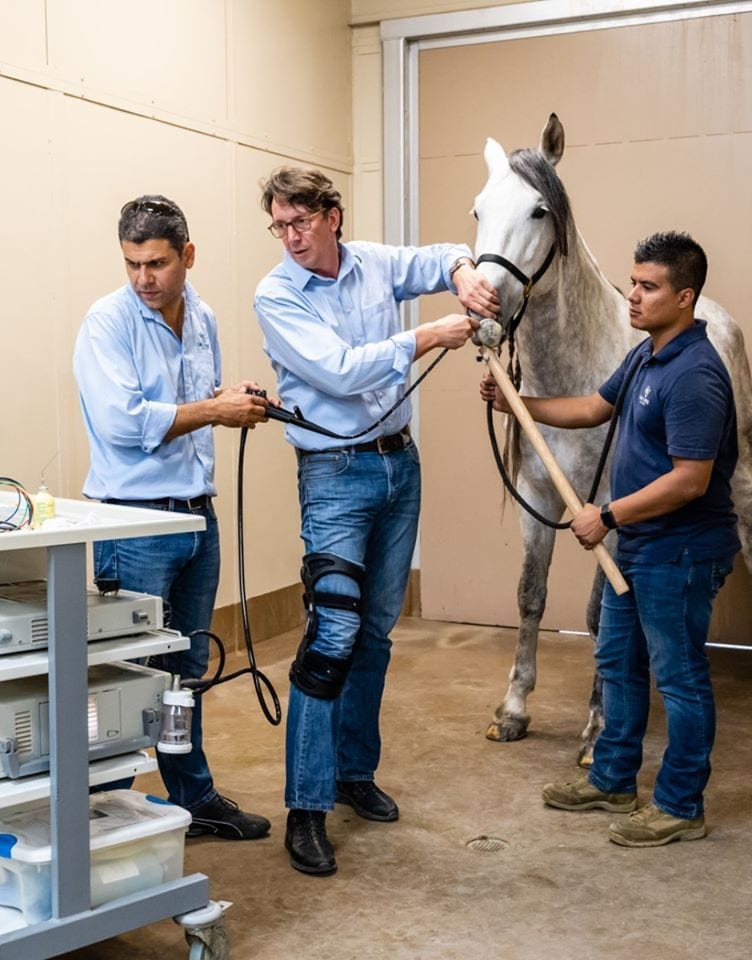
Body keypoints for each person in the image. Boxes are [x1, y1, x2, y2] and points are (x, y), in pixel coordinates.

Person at [254, 166, 498, 875]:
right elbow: (339, 370)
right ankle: (306, 807)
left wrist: (462, 270)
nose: (291, 237)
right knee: (332, 634)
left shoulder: (370, 264)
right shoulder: (276, 294)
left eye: (301, 222)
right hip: (333, 474)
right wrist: (430, 336)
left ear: (333, 216)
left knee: (376, 634)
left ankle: (352, 774)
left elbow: (436, 253)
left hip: (398, 465)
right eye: (279, 225)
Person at [481, 231, 740, 847]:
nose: (633, 295)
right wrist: (519, 402)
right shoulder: (645, 356)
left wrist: (609, 515)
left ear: (686, 298)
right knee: (618, 663)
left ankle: (680, 804)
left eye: (648, 287)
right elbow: (593, 409)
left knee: (679, 678)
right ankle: (613, 778)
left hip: (679, 551)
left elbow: (690, 480)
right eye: (632, 281)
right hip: (638, 548)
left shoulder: (696, 375)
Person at [74, 194, 272, 841]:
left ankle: (195, 797)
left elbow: (191, 404)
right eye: (132, 263)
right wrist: (215, 411)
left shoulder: (205, 317)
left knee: (185, 673)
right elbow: (125, 426)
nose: (143, 278)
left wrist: (226, 400)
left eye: (156, 263)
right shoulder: (107, 322)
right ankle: (102, 815)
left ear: (187, 256)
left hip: (195, 519)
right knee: (125, 679)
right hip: (133, 525)